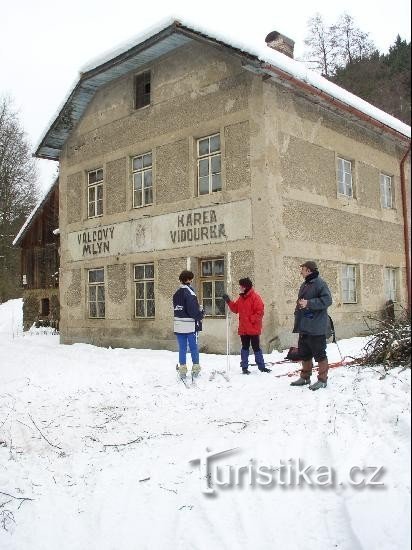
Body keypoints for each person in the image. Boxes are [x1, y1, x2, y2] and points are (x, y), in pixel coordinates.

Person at [290, 261, 332, 391]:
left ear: (308, 270)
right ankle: (305, 377)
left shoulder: (320, 283)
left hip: (316, 327)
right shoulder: (305, 284)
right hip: (305, 326)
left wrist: (309, 303)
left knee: (320, 354)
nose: (300, 271)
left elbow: (327, 300)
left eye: (302, 269)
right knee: (304, 353)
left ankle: (322, 380)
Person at [222, 277, 271, 375]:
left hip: (253, 328)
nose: (239, 287)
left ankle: (261, 366)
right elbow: (235, 309)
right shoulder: (241, 298)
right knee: (244, 347)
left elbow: (260, 312)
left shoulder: (255, 297)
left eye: (241, 286)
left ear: (245, 287)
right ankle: (244, 367)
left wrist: (250, 320)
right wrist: (228, 301)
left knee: (256, 347)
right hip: (244, 329)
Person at [173, 270, 204, 379]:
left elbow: (178, 309)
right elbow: (192, 311)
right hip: (190, 326)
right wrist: (201, 314)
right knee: (193, 347)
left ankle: (182, 370)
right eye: (191, 278)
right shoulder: (190, 293)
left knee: (182, 348)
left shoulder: (176, 293)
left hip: (178, 325)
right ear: (189, 279)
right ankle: (195, 368)